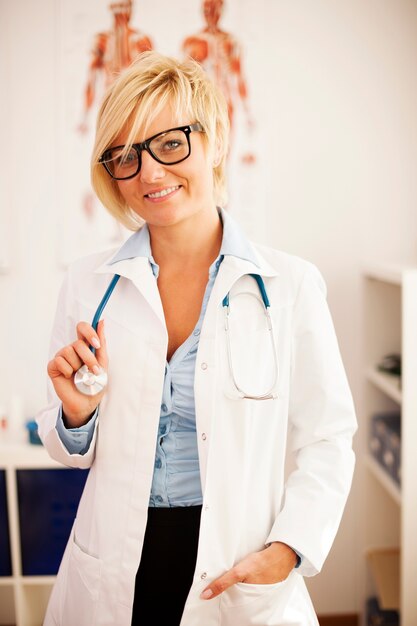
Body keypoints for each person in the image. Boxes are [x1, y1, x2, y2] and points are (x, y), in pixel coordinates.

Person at [36, 51, 357, 626]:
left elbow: (328, 440)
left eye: (170, 143)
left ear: (214, 144)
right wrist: (77, 417)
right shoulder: (89, 285)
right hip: (114, 567)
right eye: (126, 157)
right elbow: (66, 450)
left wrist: (287, 552)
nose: (150, 174)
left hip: (235, 567)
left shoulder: (289, 287)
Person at [182, 0, 255, 164]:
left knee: (223, 151)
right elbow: (185, 77)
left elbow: (239, 76)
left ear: (221, 11)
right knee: (201, 148)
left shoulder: (231, 42)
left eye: (215, 10)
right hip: (200, 103)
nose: (211, 15)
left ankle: (220, 186)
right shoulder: (192, 42)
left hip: (225, 101)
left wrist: (247, 110)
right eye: (207, 10)